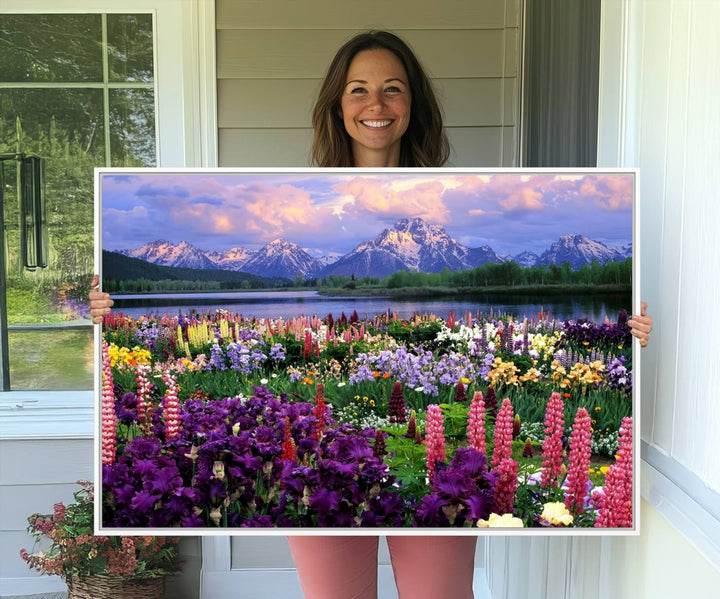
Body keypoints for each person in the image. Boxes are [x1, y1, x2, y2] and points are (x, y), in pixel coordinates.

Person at [89, 30, 653, 599]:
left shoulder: (454, 191)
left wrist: (629, 335)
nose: (376, 105)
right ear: (338, 105)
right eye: (358, 90)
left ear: (414, 105)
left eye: (393, 89)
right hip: (322, 458)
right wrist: (100, 311)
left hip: (441, 477)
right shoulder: (302, 192)